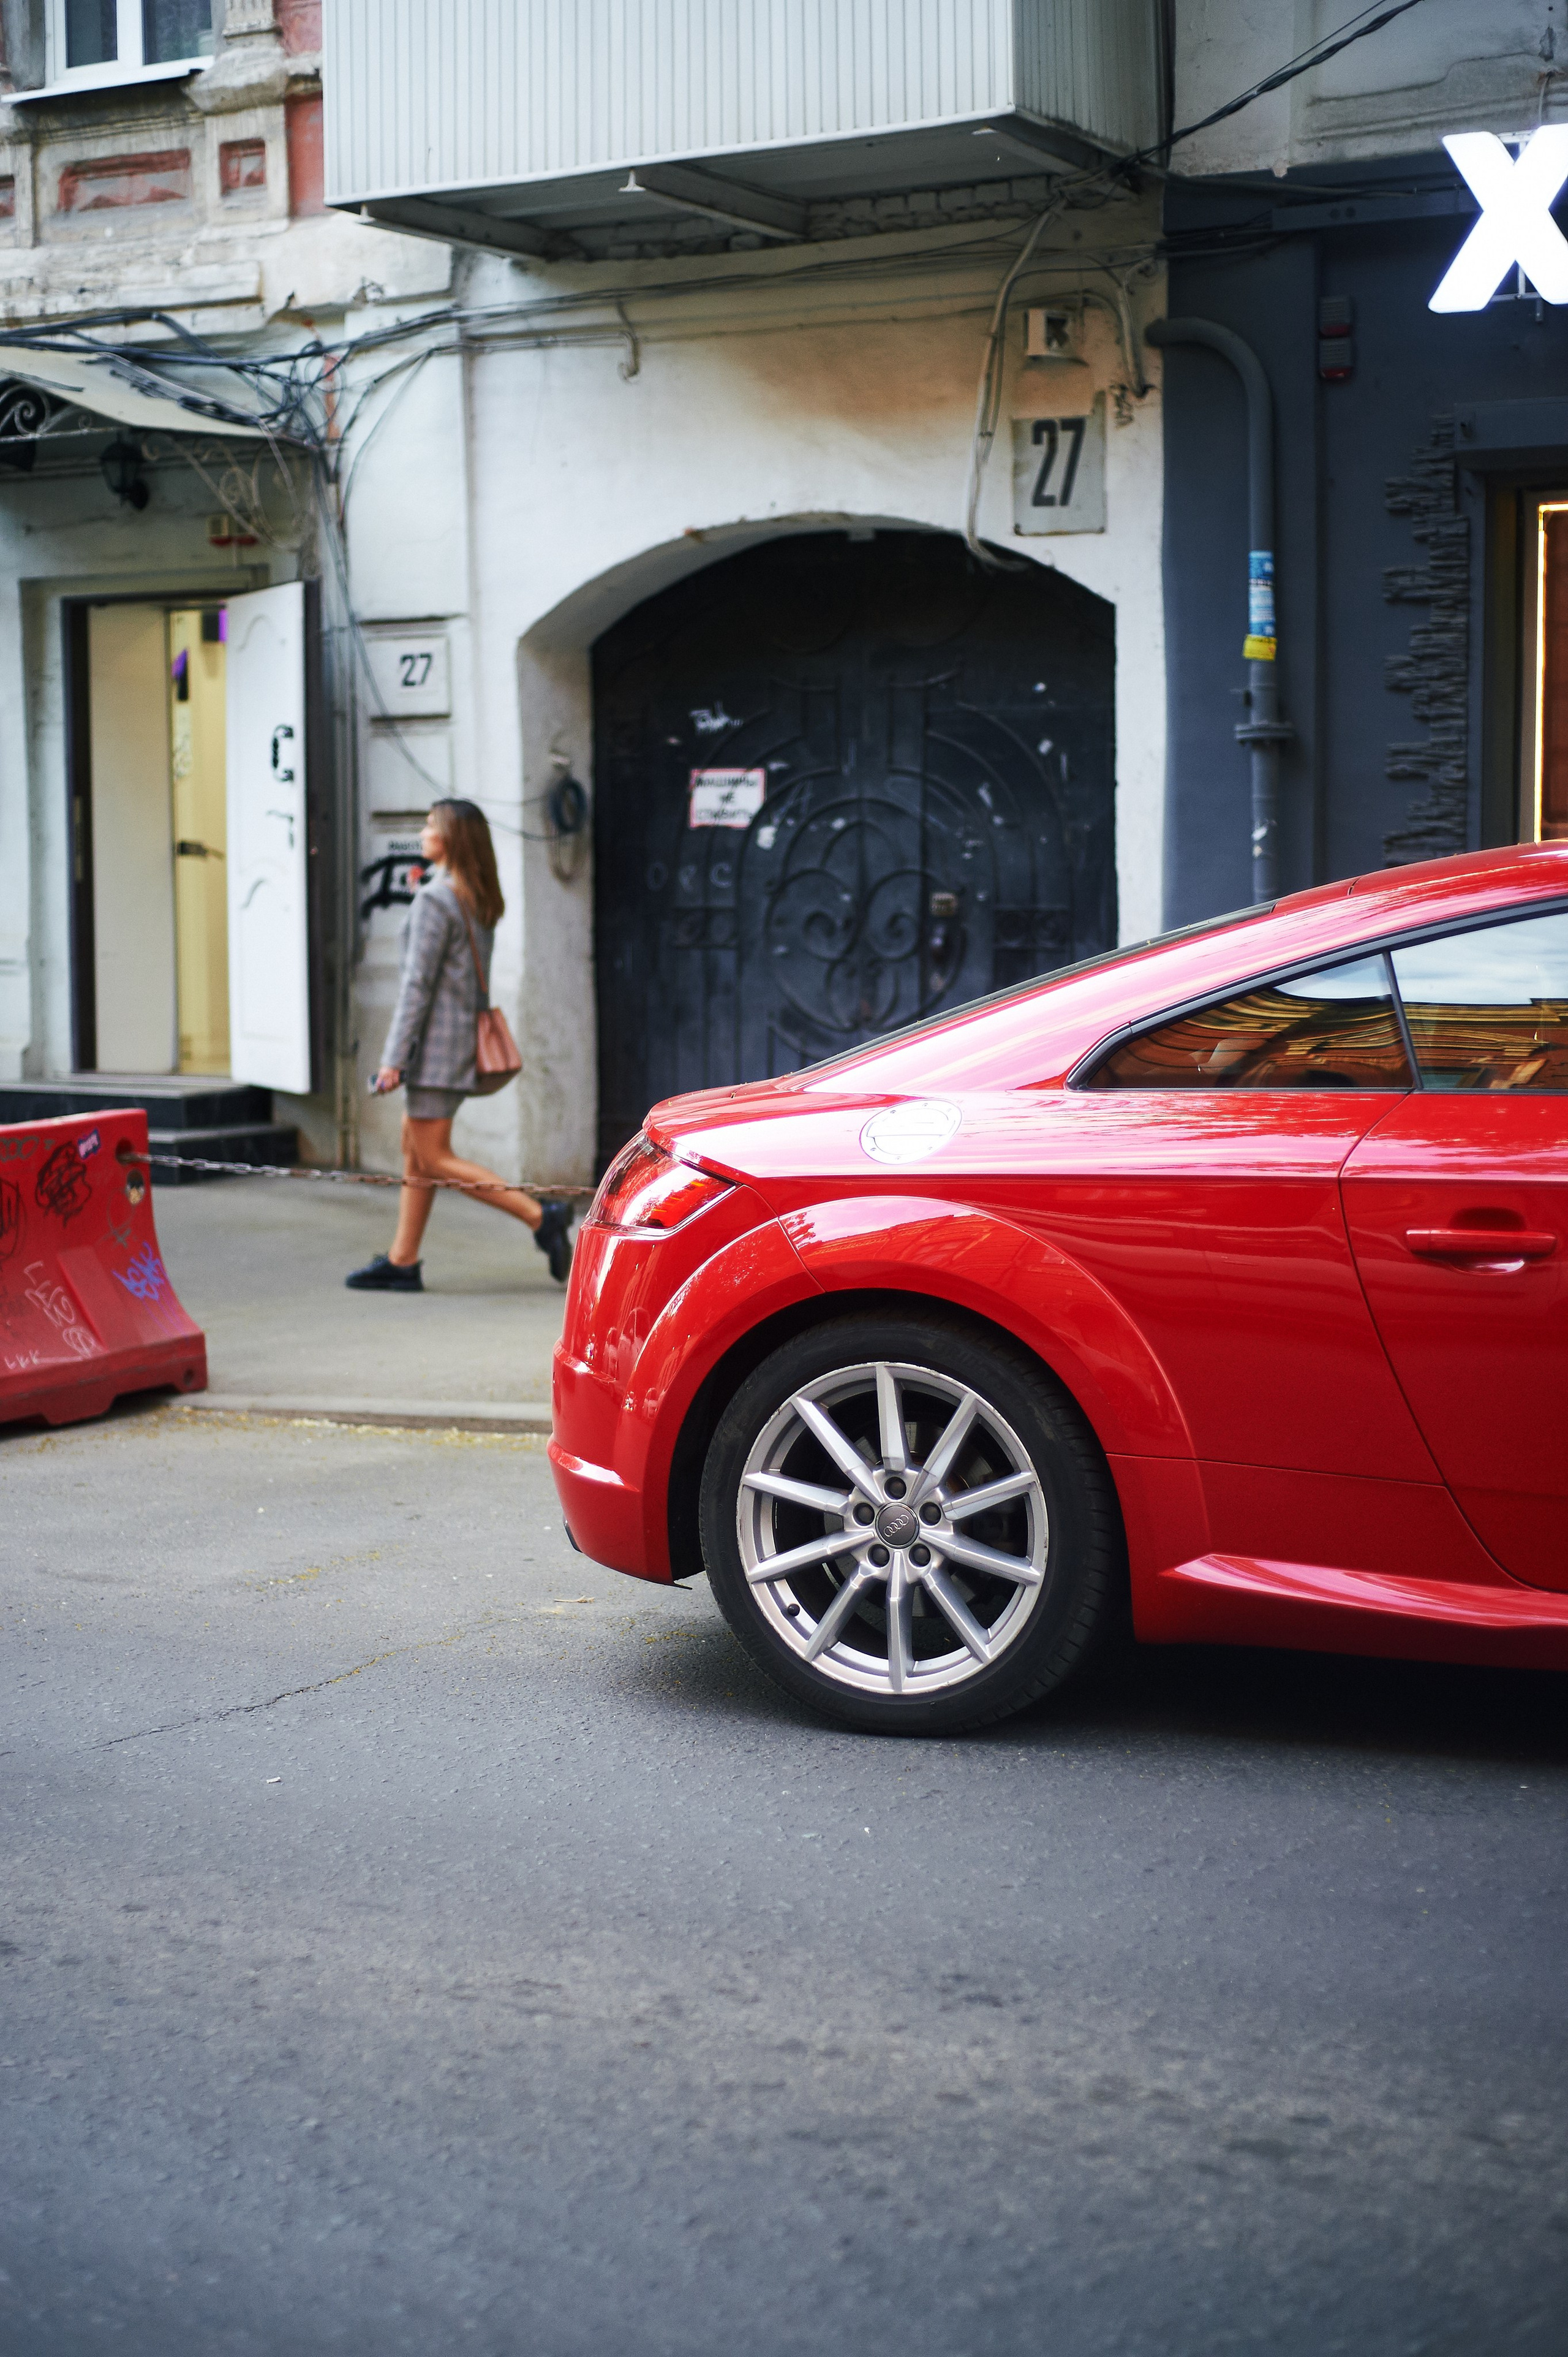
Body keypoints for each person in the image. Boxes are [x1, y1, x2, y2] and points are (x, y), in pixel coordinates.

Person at [345, 799, 574, 1291]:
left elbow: (417, 987)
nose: (423, 831)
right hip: (456, 1043)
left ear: (450, 836)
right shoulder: (473, 895)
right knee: (416, 1151)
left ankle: (541, 1216)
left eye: (430, 824)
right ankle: (403, 1260)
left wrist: (392, 1061)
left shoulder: (436, 899)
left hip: (433, 1051)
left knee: (433, 1157)